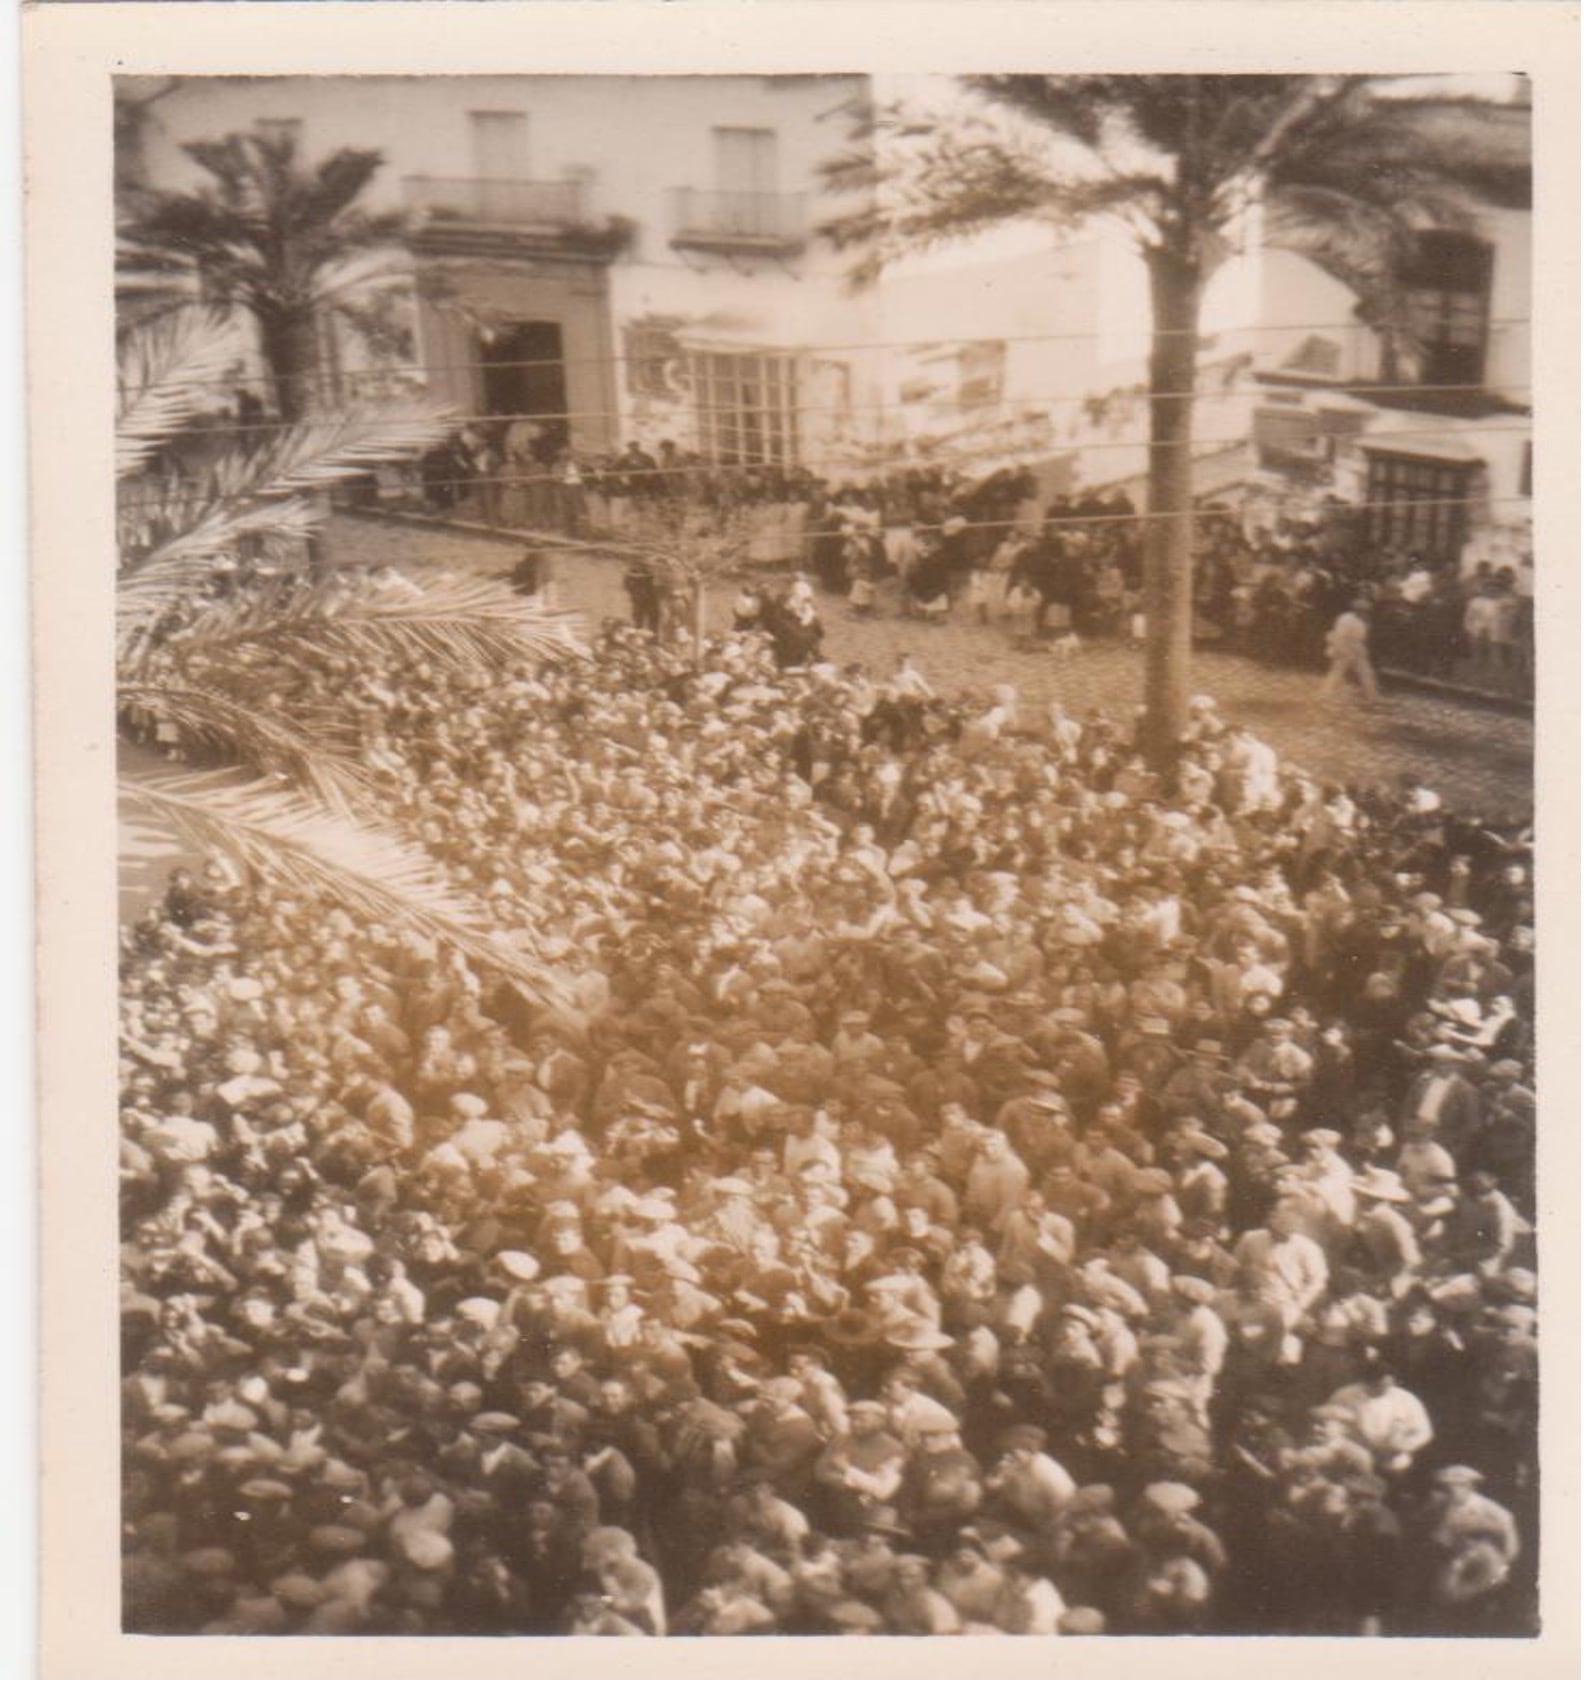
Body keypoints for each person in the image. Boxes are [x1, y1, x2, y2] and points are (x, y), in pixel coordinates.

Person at [1322, 598, 1380, 702]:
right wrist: (1342, 650)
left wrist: (1361, 649)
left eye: (1365, 610)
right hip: (1345, 644)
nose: (1364, 612)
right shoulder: (1346, 618)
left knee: (1366, 672)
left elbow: (1363, 637)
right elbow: (1339, 635)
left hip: (1357, 646)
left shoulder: (1365, 620)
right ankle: (1327, 692)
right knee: (1338, 670)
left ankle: (1371, 695)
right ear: (1355, 609)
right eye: (1361, 610)